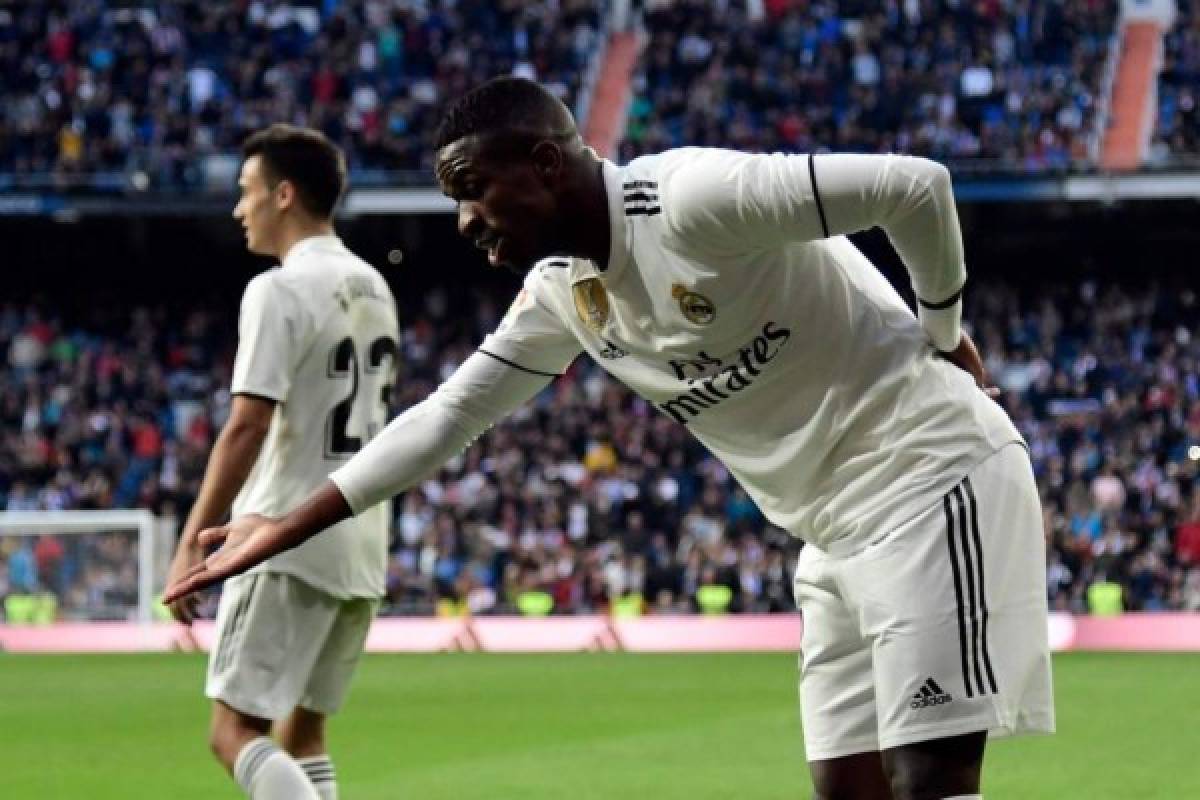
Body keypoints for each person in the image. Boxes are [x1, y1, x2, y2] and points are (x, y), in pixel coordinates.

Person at [165, 78, 1054, 800]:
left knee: (930, 777)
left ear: (546, 165)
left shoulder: (691, 201)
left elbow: (915, 185)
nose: (465, 222)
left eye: (472, 189)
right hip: (827, 532)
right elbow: (447, 417)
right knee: (844, 784)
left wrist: (942, 331)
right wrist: (285, 525)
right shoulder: (563, 291)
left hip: (929, 474)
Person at [164, 124, 399, 800]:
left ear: (284, 194)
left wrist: (191, 544)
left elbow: (248, 422)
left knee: (233, 731)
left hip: (282, 534)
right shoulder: (375, 285)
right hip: (358, 539)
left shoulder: (277, 289)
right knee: (305, 734)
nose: (240, 209)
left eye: (248, 192)